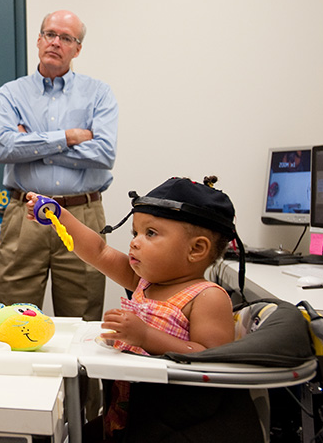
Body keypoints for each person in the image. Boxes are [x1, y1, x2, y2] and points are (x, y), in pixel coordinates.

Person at [26, 176, 239, 441]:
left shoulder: (207, 298)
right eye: (135, 233)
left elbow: (212, 361)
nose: (135, 242)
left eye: (150, 233)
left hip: (171, 423)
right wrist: (60, 216)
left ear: (196, 249)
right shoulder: (143, 282)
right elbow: (99, 251)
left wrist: (146, 336)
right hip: (124, 409)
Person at [0, 9, 118, 321]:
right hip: (25, 214)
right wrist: (68, 137)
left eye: (66, 38)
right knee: (9, 315)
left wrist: (34, 143)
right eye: (50, 34)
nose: (56, 42)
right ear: (38, 39)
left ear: (77, 48)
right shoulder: (12, 93)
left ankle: (78, 374)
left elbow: (104, 153)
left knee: (82, 317)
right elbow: (3, 147)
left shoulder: (99, 93)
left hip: (83, 214)